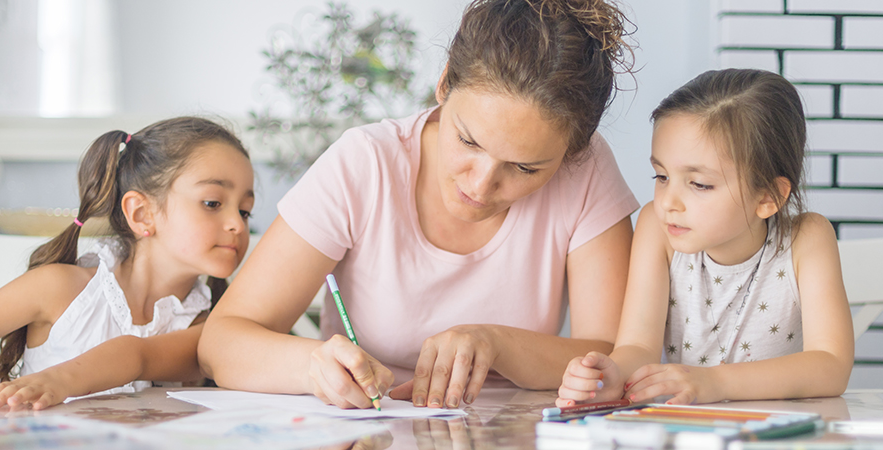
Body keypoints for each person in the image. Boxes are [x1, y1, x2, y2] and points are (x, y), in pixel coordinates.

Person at [199, 0, 640, 410]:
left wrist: (496, 343)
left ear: (571, 153)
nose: (482, 185)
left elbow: (611, 355)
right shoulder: (365, 163)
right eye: (468, 140)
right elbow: (220, 344)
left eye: (525, 169)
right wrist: (311, 363)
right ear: (445, 83)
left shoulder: (586, 170)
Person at [0, 117, 255, 410]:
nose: (237, 224)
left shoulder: (212, 321)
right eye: (213, 203)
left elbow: (137, 356)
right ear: (142, 214)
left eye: (246, 211)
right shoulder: (61, 288)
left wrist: (61, 381)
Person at [557, 69, 854, 406]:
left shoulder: (806, 239)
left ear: (768, 196)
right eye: (662, 176)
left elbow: (831, 365)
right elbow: (638, 346)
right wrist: (610, 374)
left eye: (699, 184)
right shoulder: (657, 229)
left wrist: (717, 382)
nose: (668, 202)